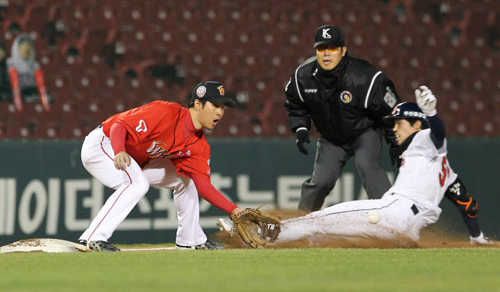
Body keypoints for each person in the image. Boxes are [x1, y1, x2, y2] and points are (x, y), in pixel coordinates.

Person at [274, 86, 492, 246]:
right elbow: (468, 205)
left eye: (399, 123)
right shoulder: (446, 172)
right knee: (326, 237)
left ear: (417, 124)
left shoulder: (424, 139)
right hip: (408, 231)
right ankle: (280, 241)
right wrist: (477, 237)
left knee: (316, 220)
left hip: (391, 213)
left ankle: (265, 236)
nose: (395, 129)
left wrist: (432, 114)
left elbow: (438, 135)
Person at [78, 81, 243, 251]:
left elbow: (204, 186)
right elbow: (119, 125)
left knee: (187, 179)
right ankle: (92, 238)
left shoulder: (199, 146)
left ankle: (191, 240)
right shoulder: (166, 112)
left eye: (223, 108)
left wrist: (234, 210)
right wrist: (119, 150)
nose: (219, 112)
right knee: (137, 184)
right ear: (198, 104)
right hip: (103, 145)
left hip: (135, 160)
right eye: (215, 105)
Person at [284, 25, 401, 212]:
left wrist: (395, 141)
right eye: (321, 49)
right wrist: (300, 128)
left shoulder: (365, 77)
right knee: (321, 181)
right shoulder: (303, 76)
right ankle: (299, 226)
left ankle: (393, 218)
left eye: (332, 48)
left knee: (367, 166)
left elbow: (391, 110)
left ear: (343, 50)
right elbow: (295, 104)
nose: (326, 54)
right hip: (332, 138)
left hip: (364, 132)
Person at [7, 34, 50, 112]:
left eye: (28, 45)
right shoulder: (10, 64)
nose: (26, 48)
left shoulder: (35, 65)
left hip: (32, 94)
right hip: (14, 95)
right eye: (23, 45)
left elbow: (41, 86)